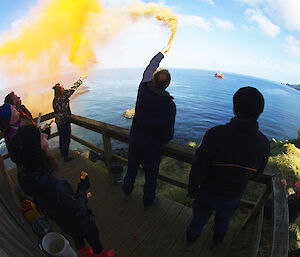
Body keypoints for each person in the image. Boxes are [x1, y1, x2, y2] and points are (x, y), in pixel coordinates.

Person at [185, 87, 270, 251]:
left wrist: (192, 188)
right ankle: (216, 243)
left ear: (234, 108)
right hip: (233, 195)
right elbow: (257, 173)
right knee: (224, 221)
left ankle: (190, 241)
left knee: (199, 218)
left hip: (207, 191)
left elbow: (199, 165)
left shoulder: (215, 134)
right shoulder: (263, 144)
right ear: (259, 112)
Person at [9, 125, 115, 257]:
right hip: (81, 223)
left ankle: (86, 254)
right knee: (95, 240)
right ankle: (101, 254)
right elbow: (79, 211)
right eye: (40, 137)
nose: (45, 136)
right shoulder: (54, 183)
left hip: (63, 221)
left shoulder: (26, 176)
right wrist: (82, 188)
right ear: (37, 151)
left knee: (78, 239)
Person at [122, 45, 176, 207]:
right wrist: (160, 142)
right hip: (152, 148)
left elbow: (150, 68)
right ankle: (148, 201)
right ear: (167, 85)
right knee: (151, 177)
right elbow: (168, 134)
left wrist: (161, 53)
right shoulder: (169, 105)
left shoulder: (143, 89)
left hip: (136, 142)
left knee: (131, 169)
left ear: (153, 80)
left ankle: (126, 192)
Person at [52, 81, 80, 162]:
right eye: (62, 87)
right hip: (64, 122)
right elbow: (72, 89)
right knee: (66, 139)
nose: (64, 88)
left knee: (62, 138)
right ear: (60, 90)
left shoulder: (55, 99)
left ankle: (63, 153)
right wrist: (81, 79)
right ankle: (66, 157)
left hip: (59, 122)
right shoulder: (63, 96)